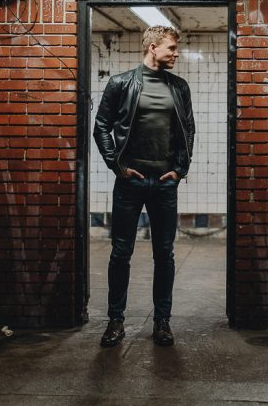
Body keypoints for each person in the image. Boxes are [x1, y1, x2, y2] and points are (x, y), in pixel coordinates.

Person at [93, 25, 196, 348]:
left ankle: (162, 322)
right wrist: (118, 166)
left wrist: (179, 170)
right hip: (130, 183)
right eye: (171, 48)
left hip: (165, 183)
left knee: (164, 254)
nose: (175, 53)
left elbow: (188, 131)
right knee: (121, 252)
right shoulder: (121, 84)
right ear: (153, 47)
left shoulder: (179, 87)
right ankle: (115, 321)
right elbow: (101, 127)